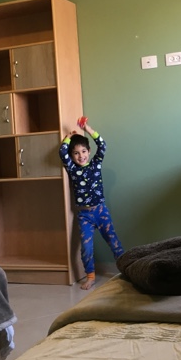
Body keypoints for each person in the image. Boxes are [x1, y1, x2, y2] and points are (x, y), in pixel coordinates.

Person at [59, 119, 124, 289]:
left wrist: (87, 129)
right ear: (72, 156)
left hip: (101, 211)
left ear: (89, 151)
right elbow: (62, 152)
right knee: (86, 248)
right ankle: (90, 276)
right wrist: (67, 138)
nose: (80, 156)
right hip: (84, 215)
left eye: (83, 151)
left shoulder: (95, 164)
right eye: (76, 153)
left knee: (114, 242)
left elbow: (102, 145)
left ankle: (126, 269)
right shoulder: (72, 169)